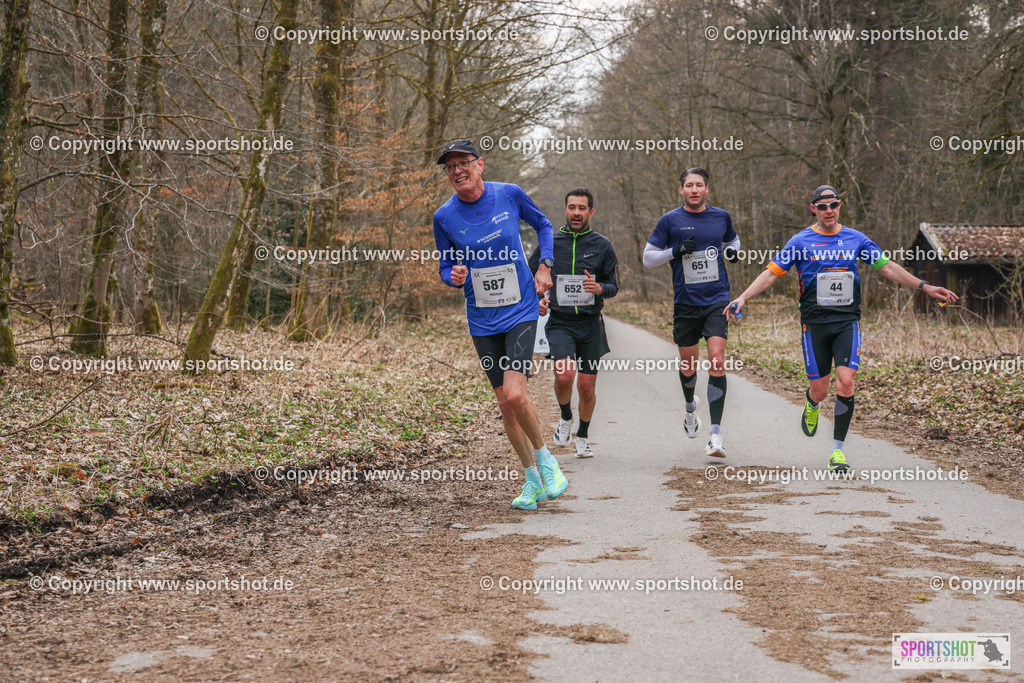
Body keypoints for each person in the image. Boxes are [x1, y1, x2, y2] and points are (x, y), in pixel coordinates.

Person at [726, 185, 958, 471]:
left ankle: (837, 452)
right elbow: (771, 274)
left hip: (847, 321)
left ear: (839, 206)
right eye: (822, 207)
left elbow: (887, 267)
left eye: (833, 205)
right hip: (814, 324)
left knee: (846, 381)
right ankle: (812, 403)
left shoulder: (855, 238)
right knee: (821, 391)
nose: (829, 211)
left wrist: (925, 286)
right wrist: (743, 297)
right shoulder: (800, 241)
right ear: (813, 209)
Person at [432, 139, 568, 510]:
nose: (457, 171)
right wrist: (452, 276)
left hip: (521, 309)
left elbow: (543, 224)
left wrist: (545, 266)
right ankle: (532, 481)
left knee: (515, 394)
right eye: (450, 166)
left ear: (480, 164)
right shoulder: (444, 216)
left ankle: (547, 462)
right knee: (506, 406)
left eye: (463, 163)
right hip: (481, 319)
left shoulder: (509, 194)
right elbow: (445, 266)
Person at [643, 167, 740, 458]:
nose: (694, 190)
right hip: (686, 303)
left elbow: (733, 240)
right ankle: (690, 408)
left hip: (717, 300)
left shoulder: (721, 217)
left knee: (717, 361)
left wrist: (732, 251)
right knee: (688, 365)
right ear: (682, 190)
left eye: (699, 185)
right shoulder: (670, 220)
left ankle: (716, 435)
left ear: (707, 189)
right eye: (689, 185)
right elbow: (648, 258)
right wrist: (674, 251)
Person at [529, 187, 619, 458]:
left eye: (582, 208)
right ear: (565, 210)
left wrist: (600, 288)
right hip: (560, 322)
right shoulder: (551, 243)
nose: (576, 213)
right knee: (564, 375)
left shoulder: (602, 245)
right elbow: (530, 276)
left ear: (590, 212)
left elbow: (614, 285)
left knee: (587, 387)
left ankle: (583, 436)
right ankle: (566, 417)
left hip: (591, 324)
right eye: (572, 207)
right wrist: (538, 300)